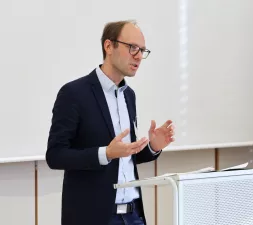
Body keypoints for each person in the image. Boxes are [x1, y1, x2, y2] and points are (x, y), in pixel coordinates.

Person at [46, 20, 175, 225]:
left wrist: (152, 147)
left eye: (142, 50)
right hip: (93, 216)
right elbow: (55, 155)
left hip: (133, 216)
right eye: (132, 47)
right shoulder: (74, 93)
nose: (139, 56)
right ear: (109, 46)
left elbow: (124, 158)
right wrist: (105, 153)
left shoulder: (129, 96)